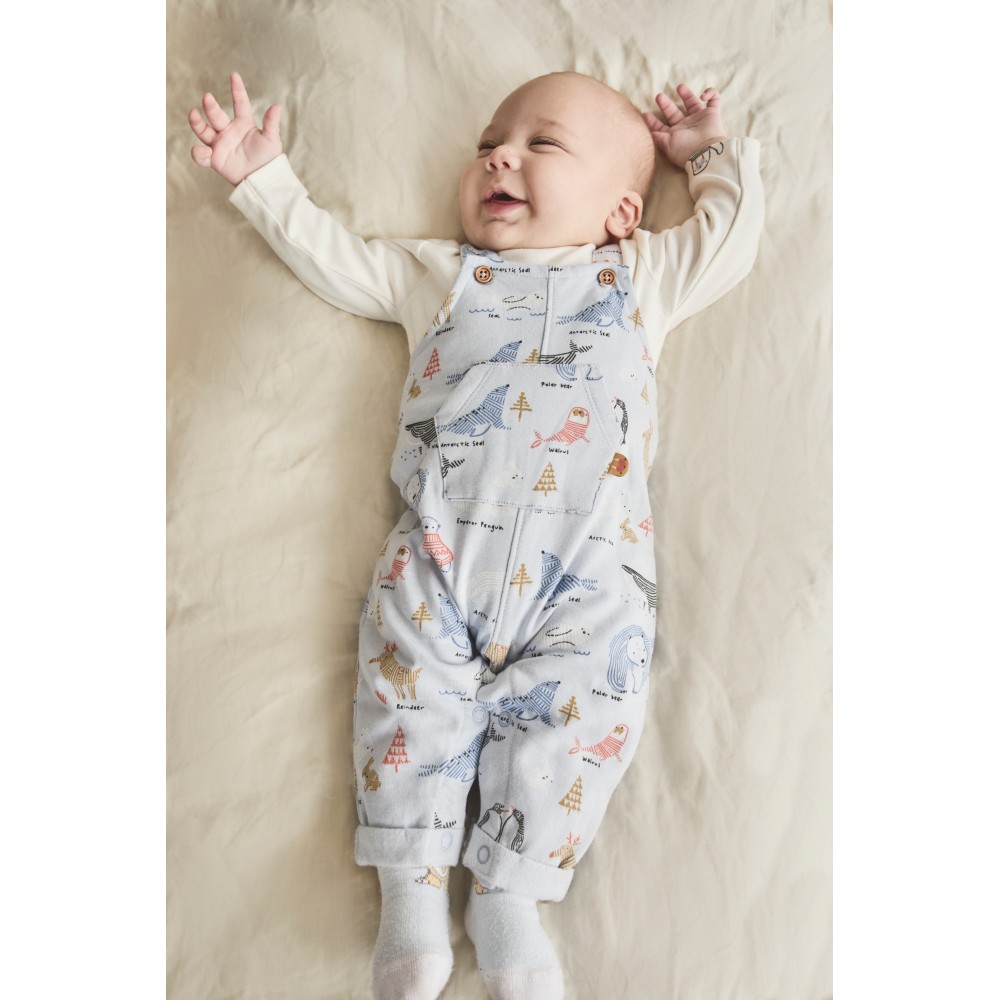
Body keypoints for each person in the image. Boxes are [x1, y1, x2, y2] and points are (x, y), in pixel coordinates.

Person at [189, 69, 763, 1000]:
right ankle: (411, 901)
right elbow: (337, 258)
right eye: (491, 143)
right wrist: (264, 179)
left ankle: (509, 895)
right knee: (403, 699)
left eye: (542, 144)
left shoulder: (638, 276)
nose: (499, 157)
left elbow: (729, 236)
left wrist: (708, 158)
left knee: (586, 720)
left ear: (622, 212)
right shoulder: (441, 274)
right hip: (441, 557)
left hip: (588, 580)